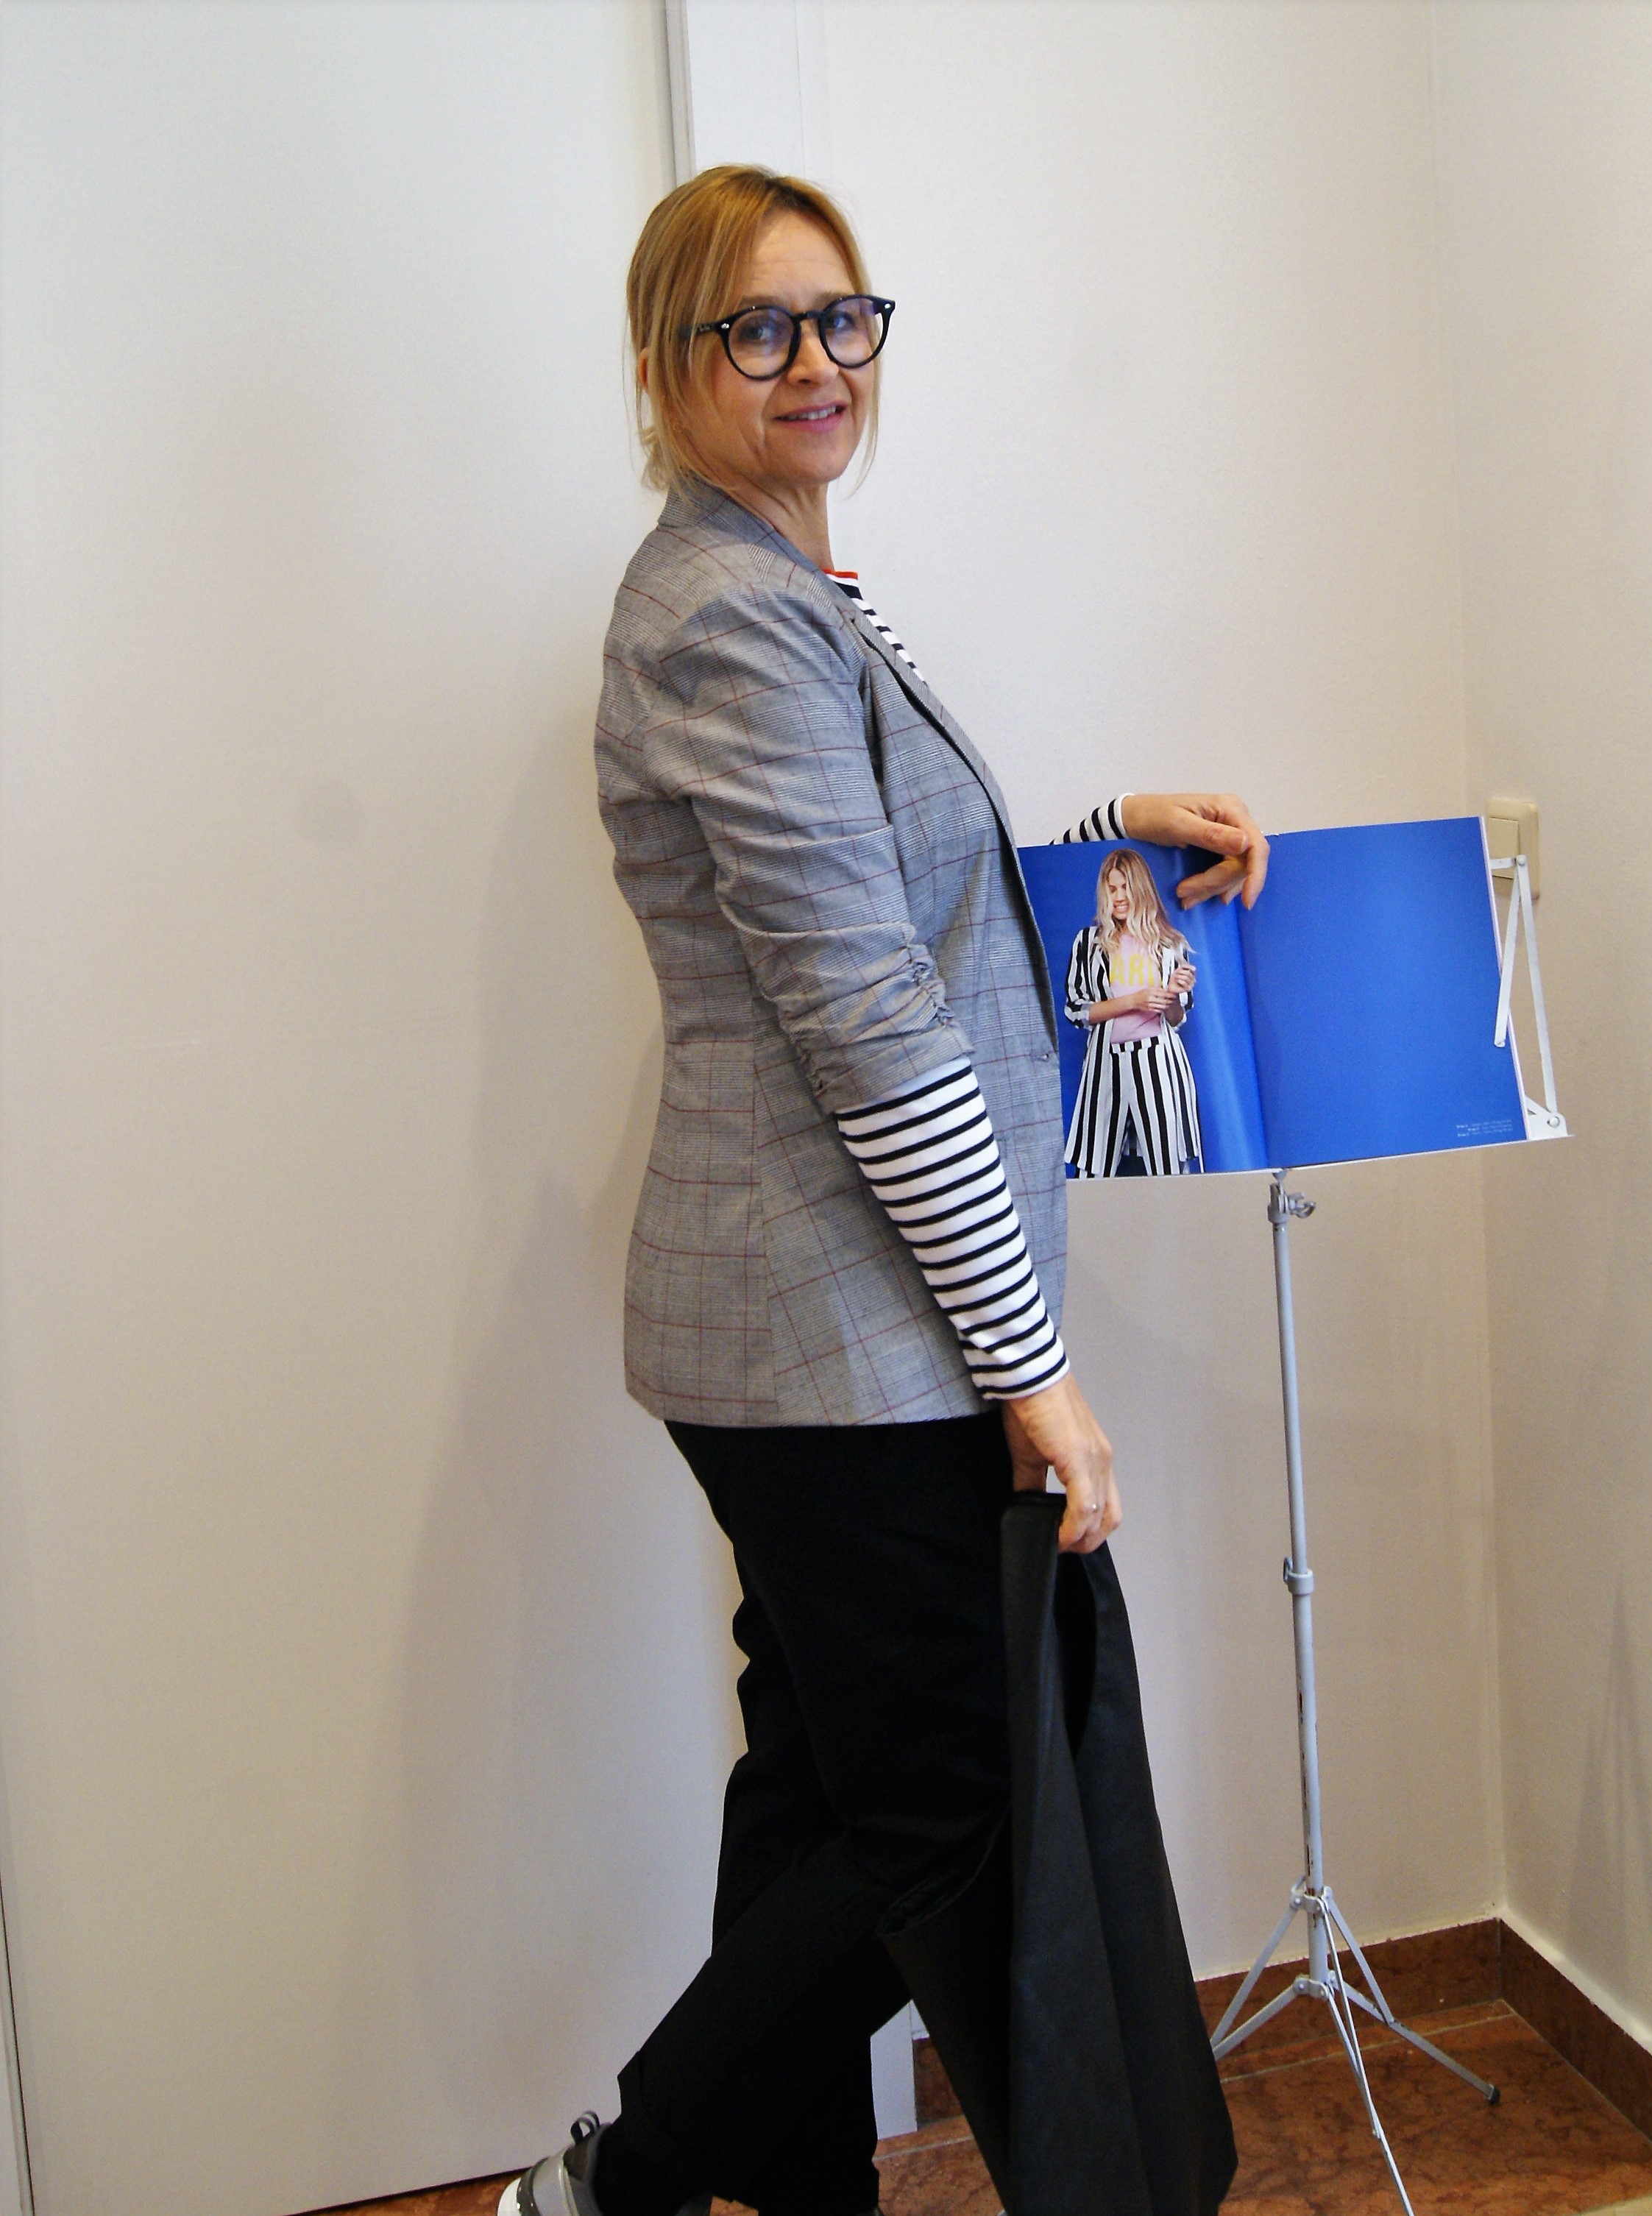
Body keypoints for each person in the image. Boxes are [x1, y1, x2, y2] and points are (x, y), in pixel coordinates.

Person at [501, 164, 1266, 2216]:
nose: (816, 361)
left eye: (842, 318)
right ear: (665, 365)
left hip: (813, 1335)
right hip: (841, 1341)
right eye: (756, 327)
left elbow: (888, 906)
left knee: (825, 1783)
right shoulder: (727, 619)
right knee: (953, 1827)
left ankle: (761, 2188)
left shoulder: (781, 582)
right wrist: (1035, 1367)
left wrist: (1103, 830)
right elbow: (862, 1017)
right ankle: (610, 2184)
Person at [1063, 847, 1203, 1177]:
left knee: (1168, 1167)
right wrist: (1134, 1001)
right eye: (1112, 889)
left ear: (1140, 887)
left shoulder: (1170, 944)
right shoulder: (1088, 943)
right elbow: (1076, 1011)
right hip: (1105, 1064)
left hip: (1159, 1062)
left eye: (1125, 887)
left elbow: (1176, 1019)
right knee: (1094, 1168)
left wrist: (1174, 993)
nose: (1119, 897)